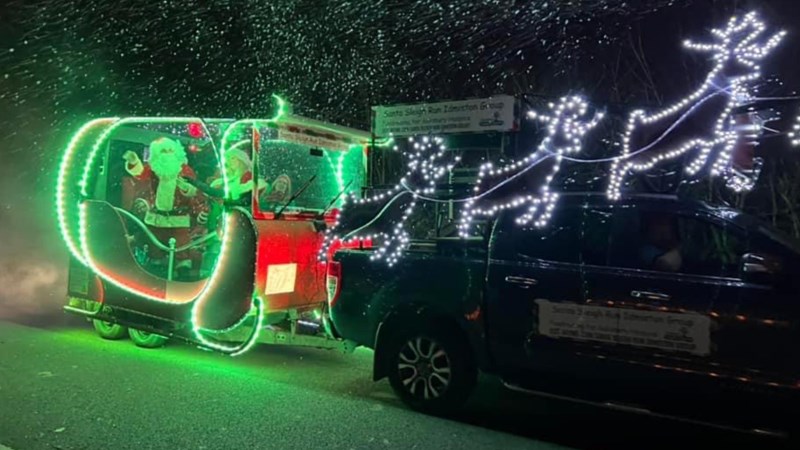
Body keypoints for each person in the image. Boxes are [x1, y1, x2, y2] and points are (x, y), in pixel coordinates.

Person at [121, 137, 209, 277]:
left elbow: (193, 190)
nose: (167, 154)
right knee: (155, 243)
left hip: (178, 218)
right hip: (157, 217)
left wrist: (186, 188)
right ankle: (157, 269)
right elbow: (140, 174)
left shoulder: (184, 170)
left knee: (181, 245)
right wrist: (134, 162)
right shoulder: (154, 169)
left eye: (170, 151)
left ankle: (182, 273)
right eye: (163, 151)